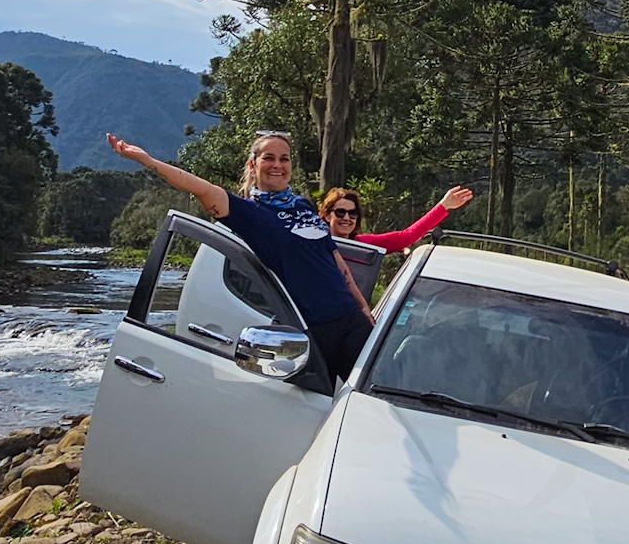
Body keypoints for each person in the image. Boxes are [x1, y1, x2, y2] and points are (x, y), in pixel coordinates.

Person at [105, 130, 374, 385]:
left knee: (376, 401)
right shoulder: (248, 213)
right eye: (268, 158)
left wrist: (363, 308)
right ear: (253, 165)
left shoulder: (302, 205)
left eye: (284, 158)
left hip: (352, 323)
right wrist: (149, 161)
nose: (277, 165)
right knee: (317, 410)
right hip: (309, 336)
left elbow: (334, 259)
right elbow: (201, 188)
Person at [319, 183, 475, 253]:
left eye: (352, 213)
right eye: (340, 212)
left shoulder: (365, 244)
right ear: (326, 215)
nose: (347, 218)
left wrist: (443, 206)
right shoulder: (314, 244)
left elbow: (407, 236)